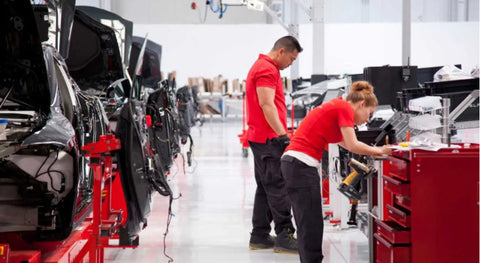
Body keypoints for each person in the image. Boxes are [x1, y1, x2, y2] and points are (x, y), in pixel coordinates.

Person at [280, 81, 391, 262]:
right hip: (300, 165)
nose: (367, 120)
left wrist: (370, 152)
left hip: (296, 165)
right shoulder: (345, 108)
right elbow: (354, 144)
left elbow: (347, 144)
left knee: (309, 223)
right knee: (311, 225)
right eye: (369, 114)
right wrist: (381, 151)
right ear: (361, 104)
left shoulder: (338, 106)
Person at [245, 35, 303, 253]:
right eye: (292, 59)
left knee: (266, 186)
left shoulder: (264, 67)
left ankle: (259, 235)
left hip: (261, 137)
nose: (291, 64)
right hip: (269, 139)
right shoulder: (267, 69)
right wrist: (283, 136)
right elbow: (266, 104)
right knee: (279, 186)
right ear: (281, 52)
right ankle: (285, 235)